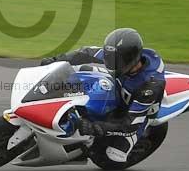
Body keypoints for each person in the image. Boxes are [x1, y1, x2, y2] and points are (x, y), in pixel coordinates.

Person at [40, 28, 166, 163]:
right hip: (119, 86)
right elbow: (86, 53)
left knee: (111, 156)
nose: (111, 63)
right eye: (109, 57)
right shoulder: (120, 56)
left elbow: (130, 124)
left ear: (131, 59)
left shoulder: (149, 86)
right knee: (81, 71)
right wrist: (55, 60)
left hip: (137, 115)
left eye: (115, 60)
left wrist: (97, 127)